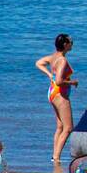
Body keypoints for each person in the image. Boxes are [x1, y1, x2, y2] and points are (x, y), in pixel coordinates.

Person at [34, 34, 77, 163]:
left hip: (52, 92)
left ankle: (55, 156)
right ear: (65, 45)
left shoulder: (53, 57)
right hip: (60, 93)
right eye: (70, 42)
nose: (72, 44)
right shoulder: (62, 60)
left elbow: (38, 63)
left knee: (60, 126)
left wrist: (48, 74)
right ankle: (56, 157)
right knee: (68, 128)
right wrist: (72, 82)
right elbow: (59, 81)